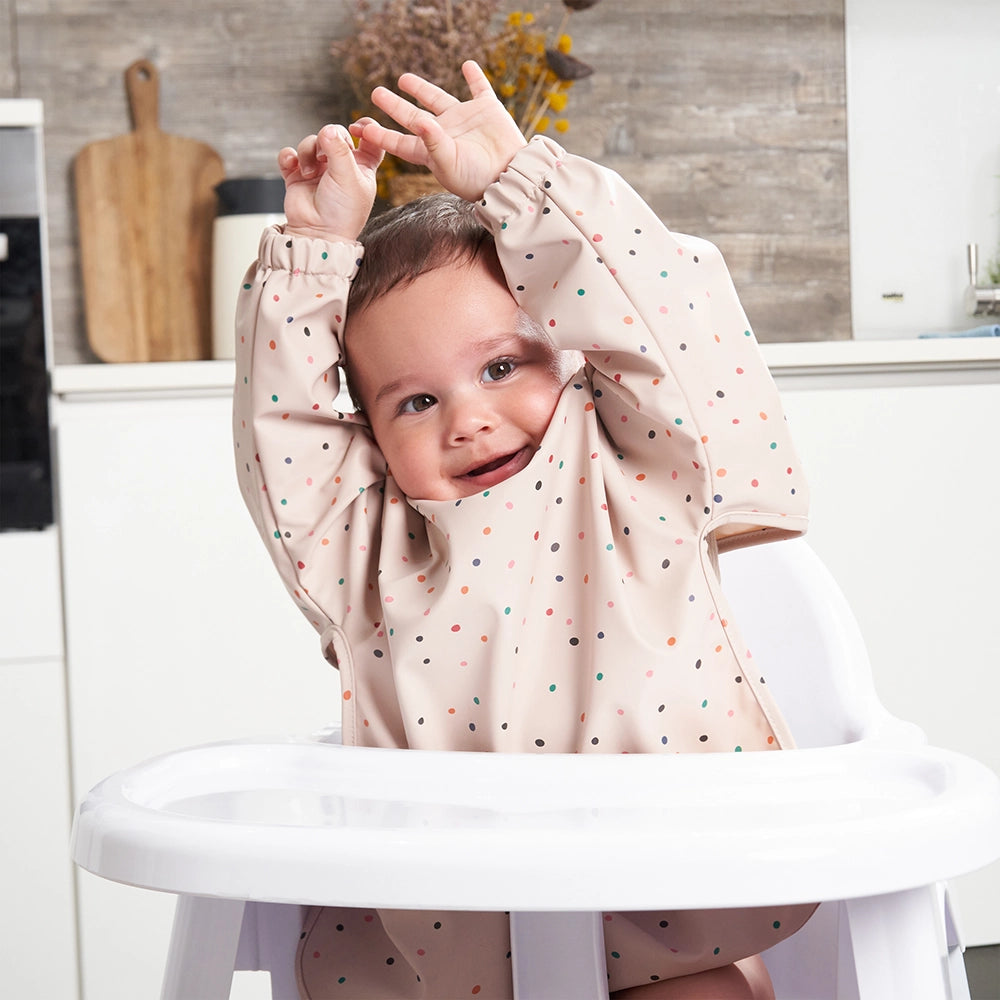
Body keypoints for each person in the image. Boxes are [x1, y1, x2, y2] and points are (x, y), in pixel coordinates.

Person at [233, 60, 815, 1000]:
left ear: (580, 357)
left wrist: (522, 183)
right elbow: (284, 451)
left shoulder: (642, 468)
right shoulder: (367, 552)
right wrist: (312, 253)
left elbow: (670, 322)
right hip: (456, 960)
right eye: (416, 400)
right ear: (371, 440)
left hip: (666, 921)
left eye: (503, 367)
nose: (466, 419)